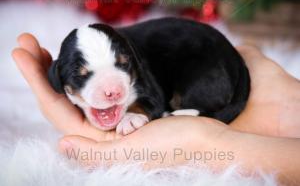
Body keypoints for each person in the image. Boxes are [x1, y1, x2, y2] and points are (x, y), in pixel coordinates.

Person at [12, 33, 300, 185]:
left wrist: (143, 112)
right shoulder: (73, 67)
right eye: (84, 75)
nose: (111, 90)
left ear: (130, 58)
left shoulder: (138, 60)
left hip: (205, 66)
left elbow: (154, 97)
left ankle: (205, 110)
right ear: (58, 78)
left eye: (121, 67)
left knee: (180, 87)